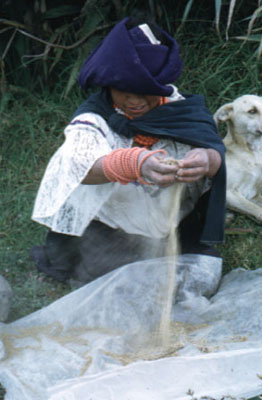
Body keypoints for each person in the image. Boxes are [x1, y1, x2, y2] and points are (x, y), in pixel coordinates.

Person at [30, 16, 226, 285]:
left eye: (144, 91)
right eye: (123, 91)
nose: (134, 101)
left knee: (202, 274)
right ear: (108, 84)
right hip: (111, 228)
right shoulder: (94, 118)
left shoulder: (184, 110)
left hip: (173, 226)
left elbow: (215, 154)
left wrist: (206, 160)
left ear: (160, 85)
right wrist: (133, 163)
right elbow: (78, 166)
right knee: (114, 282)